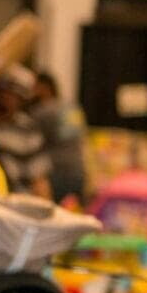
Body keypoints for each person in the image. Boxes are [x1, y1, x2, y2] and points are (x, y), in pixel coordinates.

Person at [0, 65, 48, 195]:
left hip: (10, 205)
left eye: (14, 95)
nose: (6, 98)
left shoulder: (28, 130)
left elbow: (39, 180)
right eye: (3, 91)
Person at [29, 70, 88, 205]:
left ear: (44, 87)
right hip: (78, 170)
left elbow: (29, 140)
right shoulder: (72, 107)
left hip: (56, 171)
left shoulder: (43, 112)